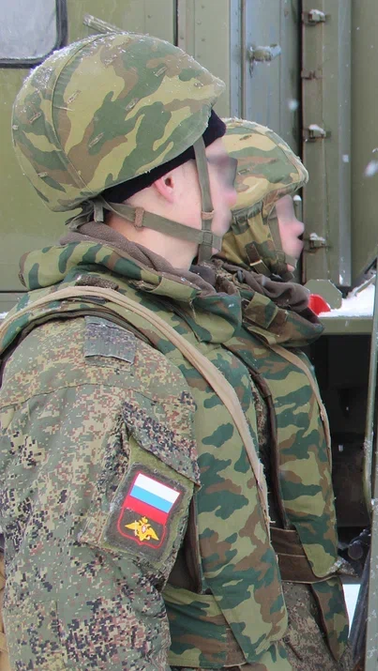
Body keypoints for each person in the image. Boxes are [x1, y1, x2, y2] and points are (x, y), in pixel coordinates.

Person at [2, 33, 292, 669]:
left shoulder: (165, 318)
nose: (235, 183)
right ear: (166, 180)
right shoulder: (95, 366)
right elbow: (82, 636)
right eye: (218, 165)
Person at [213, 118, 349, 669]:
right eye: (284, 212)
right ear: (243, 222)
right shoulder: (218, 335)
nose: (299, 230)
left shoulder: (260, 323)